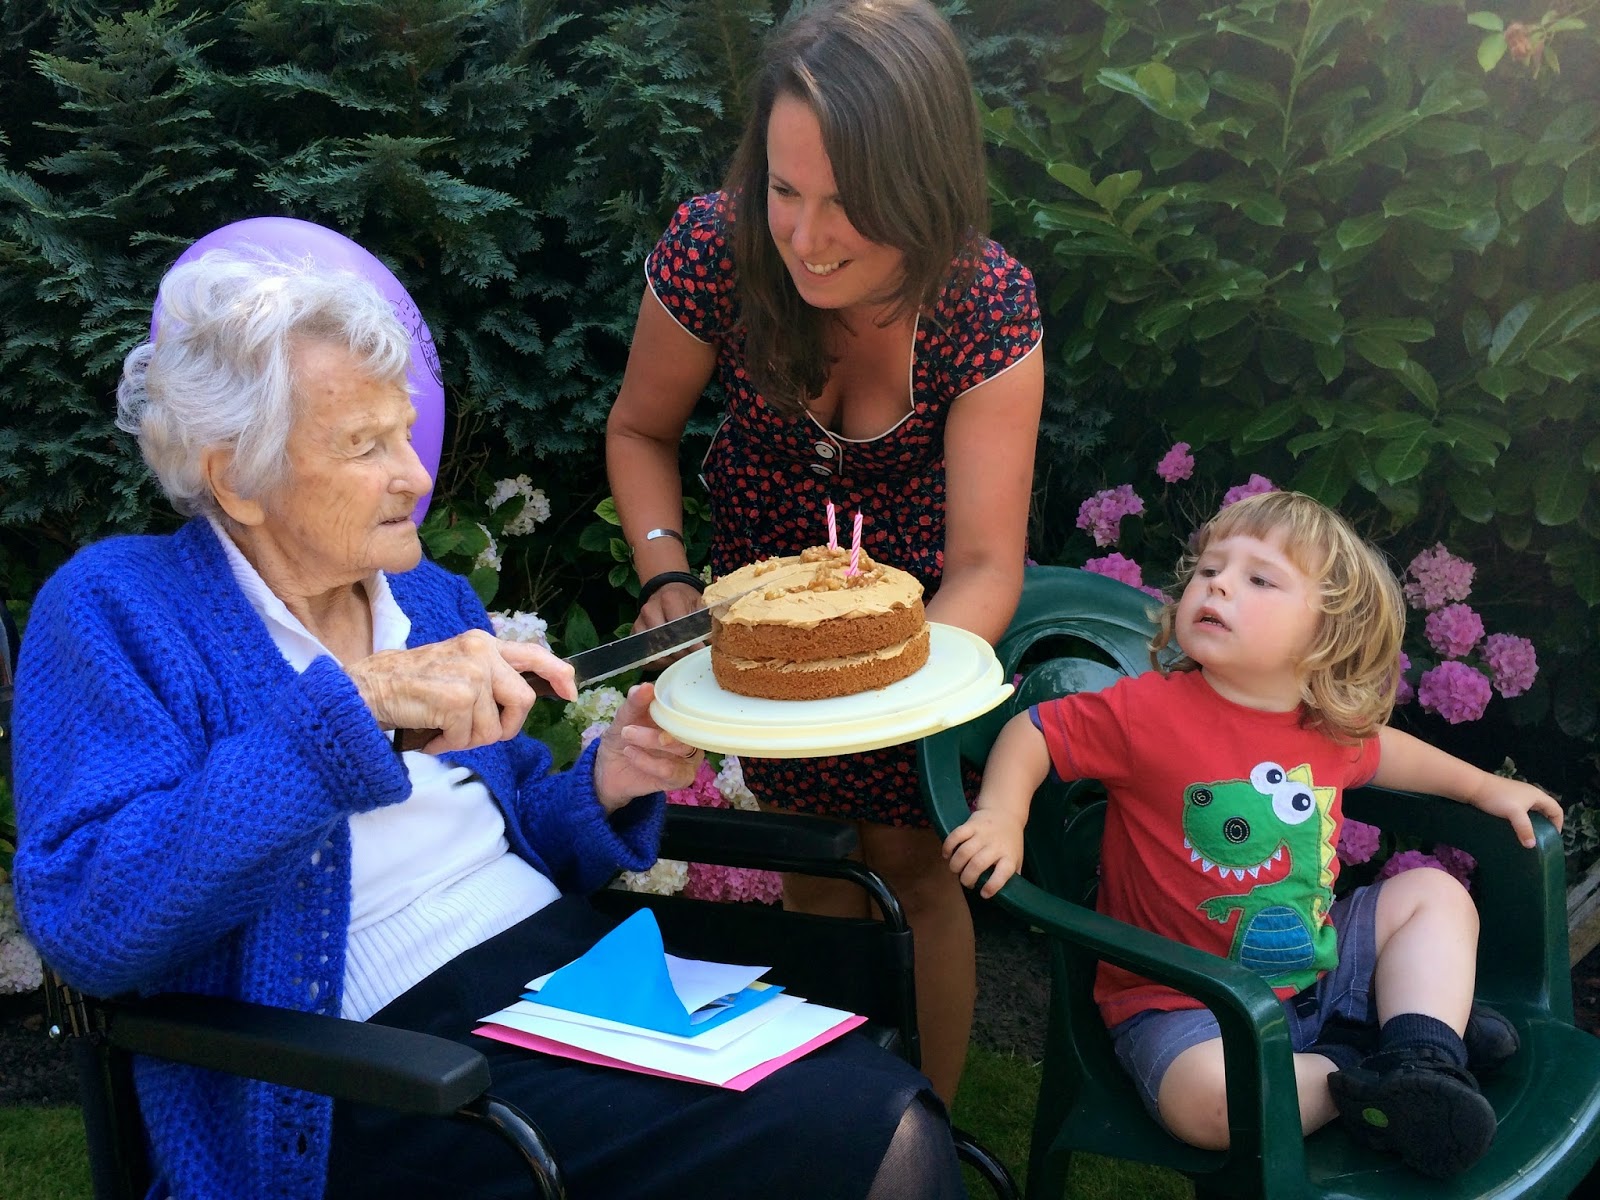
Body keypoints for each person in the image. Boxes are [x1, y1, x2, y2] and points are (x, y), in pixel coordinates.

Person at [9, 249, 964, 1200]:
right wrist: (354, 707)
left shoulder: (428, 599)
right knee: (875, 1141)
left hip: (566, 978)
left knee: (879, 1108)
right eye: (364, 446)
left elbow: (515, 835)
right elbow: (92, 919)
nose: (412, 473)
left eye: (405, 431)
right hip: (377, 1062)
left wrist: (609, 781)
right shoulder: (120, 611)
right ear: (235, 479)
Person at [605, 0, 1044, 1103]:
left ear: (920, 185)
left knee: (914, 870)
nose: (805, 236)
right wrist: (666, 572)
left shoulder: (984, 303)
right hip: (768, 644)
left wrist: (882, 687)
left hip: (922, 638)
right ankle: (837, 1129)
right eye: (785, 190)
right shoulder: (715, 251)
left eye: (847, 202)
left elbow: (987, 563)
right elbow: (639, 431)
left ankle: (930, 1134)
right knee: (816, 865)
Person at [943, 490, 1565, 1179]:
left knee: (1436, 894)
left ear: (1328, 632)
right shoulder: (1148, 713)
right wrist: (1001, 815)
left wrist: (1482, 787)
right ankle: (1383, 1070)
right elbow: (1035, 732)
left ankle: (1422, 1055)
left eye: (1259, 579)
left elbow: (1388, 751)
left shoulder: (1323, 727)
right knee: (1213, 1107)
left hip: (1321, 980)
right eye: (1210, 570)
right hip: (1183, 1007)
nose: (1218, 584)